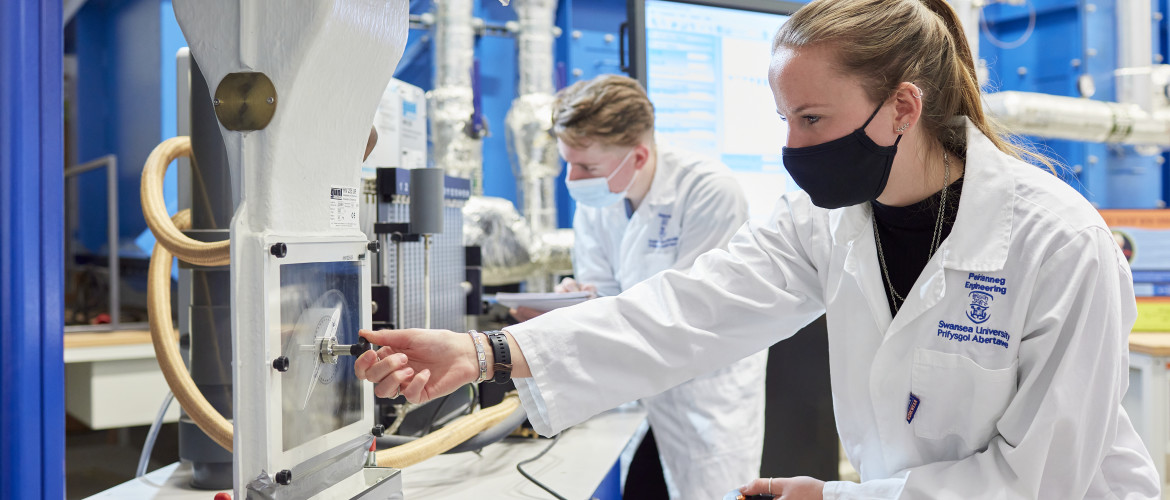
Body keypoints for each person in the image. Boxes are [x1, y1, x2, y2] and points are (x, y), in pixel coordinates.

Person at [353, 0, 1163, 497]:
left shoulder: (1058, 245)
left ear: (901, 108)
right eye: (784, 120)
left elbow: (1040, 486)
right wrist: (485, 350)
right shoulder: (826, 224)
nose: (792, 146)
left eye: (811, 120)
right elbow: (687, 313)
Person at [510, 74, 769, 500]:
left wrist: (594, 314)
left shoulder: (708, 192)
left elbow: (694, 317)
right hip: (634, 385)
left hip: (701, 394)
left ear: (638, 155)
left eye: (587, 167)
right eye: (568, 163)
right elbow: (607, 293)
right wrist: (575, 304)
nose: (573, 179)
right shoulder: (599, 199)